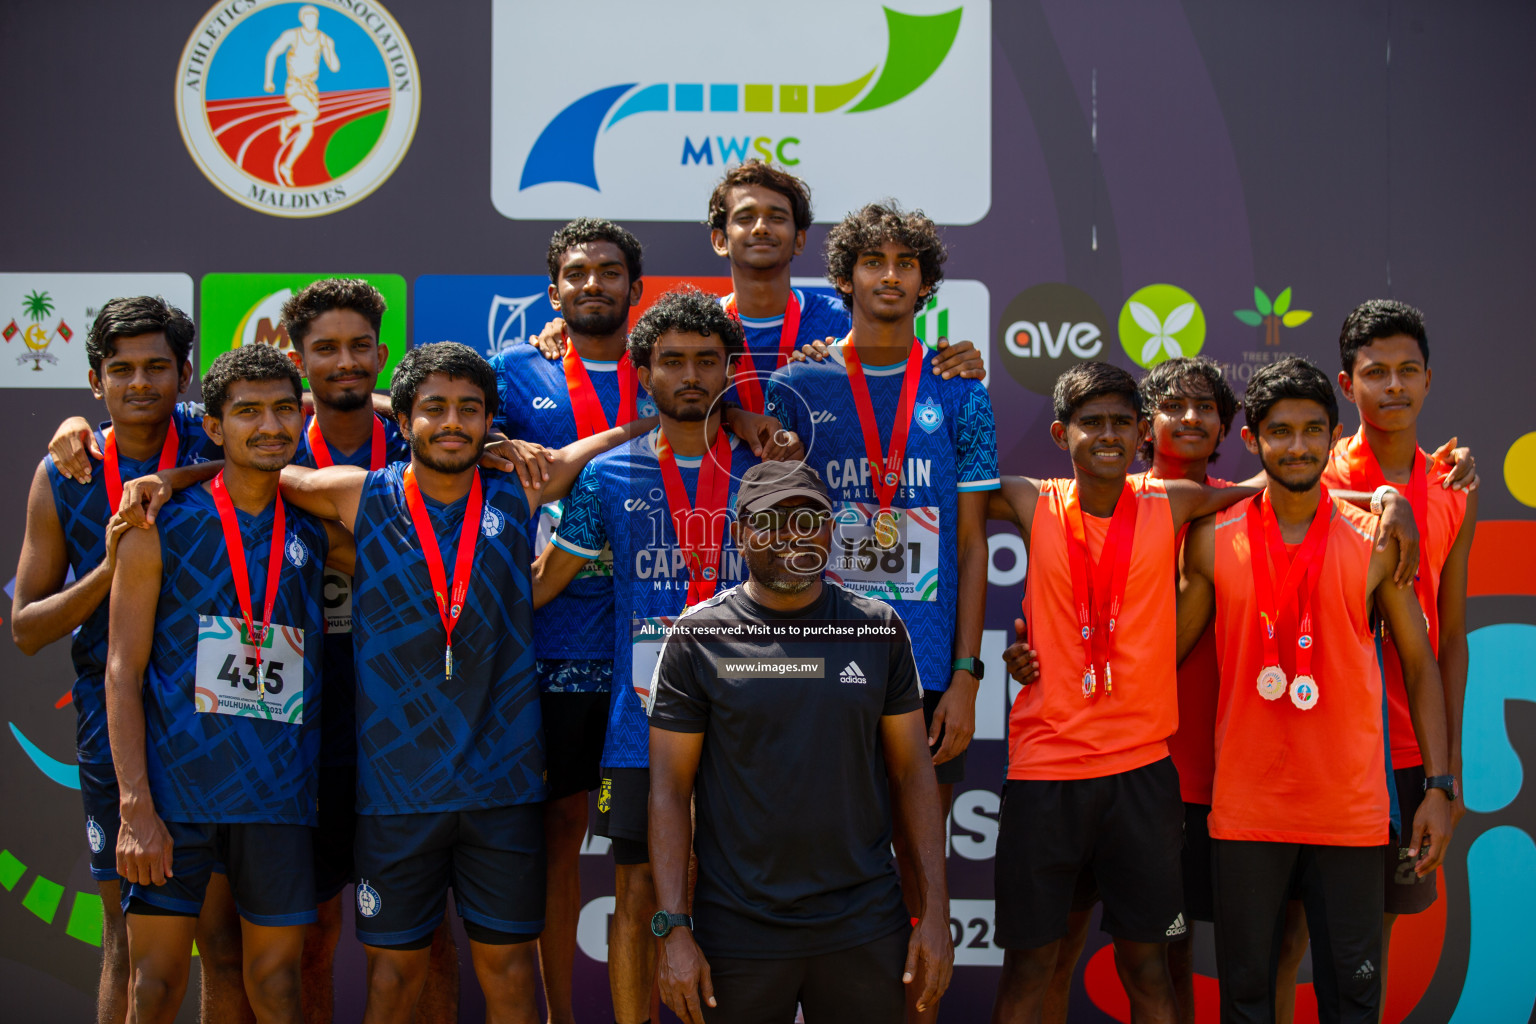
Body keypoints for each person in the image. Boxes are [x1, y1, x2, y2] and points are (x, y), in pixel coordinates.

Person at [257, 340, 648, 1023]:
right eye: (433, 408)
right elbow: (262, 471)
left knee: (509, 976)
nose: (451, 422)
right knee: (393, 982)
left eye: (470, 409)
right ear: (402, 422)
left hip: (501, 787)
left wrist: (722, 417)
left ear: (491, 423)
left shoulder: (515, 489)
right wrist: (162, 480)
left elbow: (602, 444)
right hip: (396, 792)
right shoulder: (359, 493)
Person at [983, 360, 1286, 1024]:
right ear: (1062, 432)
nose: (1109, 434)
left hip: (1142, 776)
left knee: (1148, 969)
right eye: (1092, 422)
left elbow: (1282, 479)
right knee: (1030, 969)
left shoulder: (1170, 503)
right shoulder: (1032, 499)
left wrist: (1383, 497)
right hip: (1046, 775)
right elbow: (939, 485)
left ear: (1142, 432)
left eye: (1123, 421)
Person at [761, 200, 996, 1024]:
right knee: (813, 847)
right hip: (818, 664)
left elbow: (971, 546)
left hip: (925, 670)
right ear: (847, 277)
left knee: (920, 868)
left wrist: (966, 675)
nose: (890, 275)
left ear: (927, 284)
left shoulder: (962, 395)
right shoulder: (798, 384)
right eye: (874, 261)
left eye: (906, 263)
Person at [1176, 356, 1454, 1024]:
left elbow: (1421, 666)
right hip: (1244, 812)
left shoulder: (1379, 541)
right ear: (1252, 440)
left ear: (1333, 438)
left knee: (1352, 1002)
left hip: (1351, 816)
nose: (1296, 446)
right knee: (1246, 1003)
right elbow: (1161, 654)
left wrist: (1440, 787)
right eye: (1279, 431)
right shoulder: (1213, 538)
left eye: (1310, 431)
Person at [534, 288, 783, 1024]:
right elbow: (544, 584)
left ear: (732, 371)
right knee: (639, 887)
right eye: (671, 361)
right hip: (636, 724)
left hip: (751, 716)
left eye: (708, 361)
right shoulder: (606, 477)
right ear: (642, 373)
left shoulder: (766, 465)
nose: (691, 376)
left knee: (740, 887)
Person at [649, 461, 953, 1024]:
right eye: (771, 520)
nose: (791, 534)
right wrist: (673, 930)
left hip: (862, 921)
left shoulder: (877, 627)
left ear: (830, 529)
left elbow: (913, 774)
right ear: (740, 533)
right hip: (738, 928)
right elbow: (669, 790)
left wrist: (935, 913)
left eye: (807, 518)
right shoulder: (697, 637)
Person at [106, 344, 353, 1024]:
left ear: (303, 420)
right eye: (246, 412)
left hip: (277, 800)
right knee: (152, 988)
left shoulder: (316, 531)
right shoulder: (155, 528)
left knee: (277, 988)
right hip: (174, 801)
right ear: (213, 427)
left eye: (283, 410)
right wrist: (135, 810)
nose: (268, 425)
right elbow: (122, 672)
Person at [10, 297, 224, 1024]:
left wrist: (171, 481)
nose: (141, 383)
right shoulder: (64, 472)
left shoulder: (215, 435)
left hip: (225, 723)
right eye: (121, 370)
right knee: (127, 945)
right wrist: (110, 565)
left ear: (185, 373)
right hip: (115, 724)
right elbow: (27, 629)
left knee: (220, 942)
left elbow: (310, 425)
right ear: (94, 379)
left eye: (158, 368)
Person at [279, 279, 460, 1024]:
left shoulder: (427, 435)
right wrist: (71, 421)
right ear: (298, 360)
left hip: (412, 712)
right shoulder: (265, 437)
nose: (345, 362)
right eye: (326, 348)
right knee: (313, 934)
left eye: (360, 347)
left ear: (383, 356)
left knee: (424, 937)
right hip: (301, 715)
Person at [1040, 356, 1238, 1024]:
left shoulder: (1236, 501)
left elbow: (1305, 486)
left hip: (1200, 774)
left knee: (1171, 964)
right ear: (1146, 425)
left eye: (1205, 406)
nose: (1189, 418)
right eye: (1172, 406)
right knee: (1054, 956)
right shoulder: (1087, 497)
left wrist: (1386, 499)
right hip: (1092, 764)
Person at [1319, 301, 1476, 1009]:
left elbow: (1450, 637)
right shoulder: (1312, 476)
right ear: (1347, 385)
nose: (1394, 387)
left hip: (1412, 758)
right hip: (1323, 748)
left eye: (1407, 371)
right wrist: (1376, 495)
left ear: (1429, 380)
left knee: (1366, 962)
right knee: (1292, 940)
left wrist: (1446, 778)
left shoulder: (1453, 488)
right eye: (1375, 373)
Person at [524, 163, 985, 388]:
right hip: (709, 510)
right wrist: (563, 328)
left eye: (777, 217)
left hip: (814, 520)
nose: (761, 227)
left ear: (800, 239)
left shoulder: (844, 320)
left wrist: (951, 361)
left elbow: (902, 368)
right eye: (745, 217)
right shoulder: (689, 327)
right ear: (719, 240)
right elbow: (618, 355)